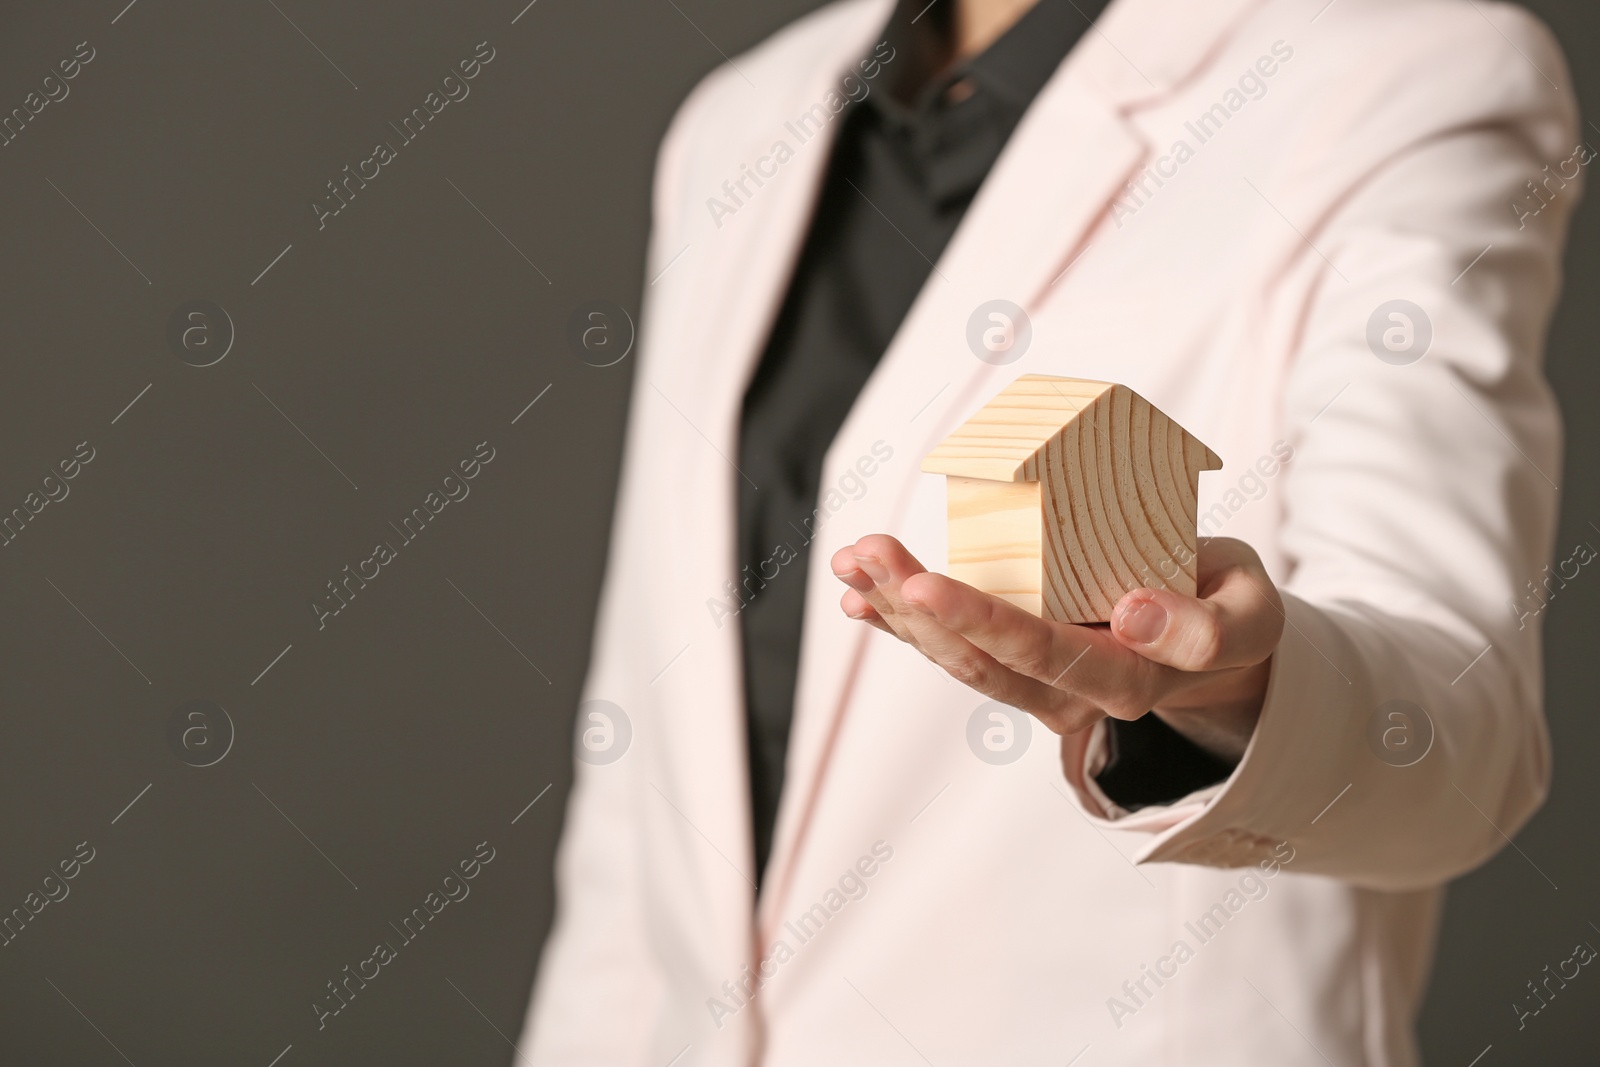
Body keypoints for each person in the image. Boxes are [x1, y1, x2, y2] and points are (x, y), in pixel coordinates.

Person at [522, 0, 1581, 1062]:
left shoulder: (1406, 69)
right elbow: (640, 783)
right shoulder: (740, 119)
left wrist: (1219, 699)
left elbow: (1461, 749)